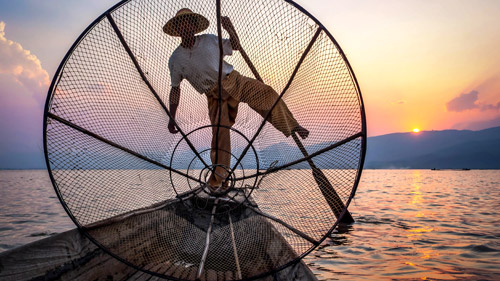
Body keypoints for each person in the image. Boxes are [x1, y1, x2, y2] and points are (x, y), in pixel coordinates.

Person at [164, 8, 309, 191]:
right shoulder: (176, 59)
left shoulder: (209, 40)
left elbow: (235, 45)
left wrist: (229, 28)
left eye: (189, 23)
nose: (186, 26)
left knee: (268, 93)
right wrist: (172, 117)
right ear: (177, 30)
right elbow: (175, 89)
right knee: (219, 136)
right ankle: (219, 181)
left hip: (234, 80)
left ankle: (292, 125)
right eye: (181, 24)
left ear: (194, 26)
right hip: (215, 96)